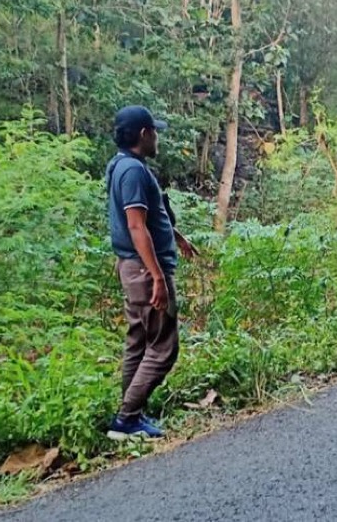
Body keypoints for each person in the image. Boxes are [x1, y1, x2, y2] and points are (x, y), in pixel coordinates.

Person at [105, 105, 197, 440]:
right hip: (144, 270)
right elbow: (135, 224)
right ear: (144, 134)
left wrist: (178, 237)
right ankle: (127, 418)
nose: (157, 137)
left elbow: (153, 216)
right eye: (154, 131)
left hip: (132, 267)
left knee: (139, 341)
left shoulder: (122, 165)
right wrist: (157, 276)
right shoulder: (132, 171)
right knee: (163, 346)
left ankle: (130, 412)